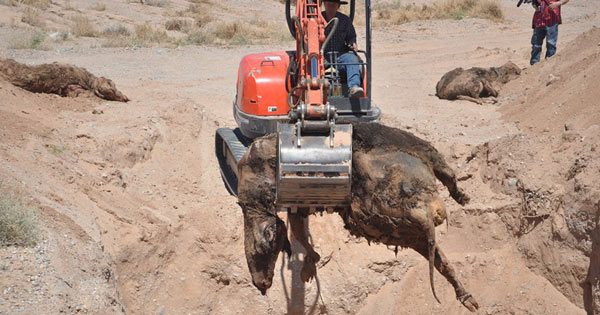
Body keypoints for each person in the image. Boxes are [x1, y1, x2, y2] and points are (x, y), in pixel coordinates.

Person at [322, 0, 364, 98]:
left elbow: (351, 37)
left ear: (338, 6)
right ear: (324, 5)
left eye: (333, 5)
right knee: (311, 62)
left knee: (352, 59)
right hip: (321, 56)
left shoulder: (345, 20)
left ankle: (354, 87)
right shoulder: (316, 19)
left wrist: (352, 43)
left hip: (340, 56)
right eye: (329, 5)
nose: (331, 8)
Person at [530, 0, 569, 65]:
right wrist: (535, 6)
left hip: (551, 20)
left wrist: (557, 3)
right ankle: (534, 66)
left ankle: (548, 65)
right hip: (539, 20)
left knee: (551, 44)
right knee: (536, 45)